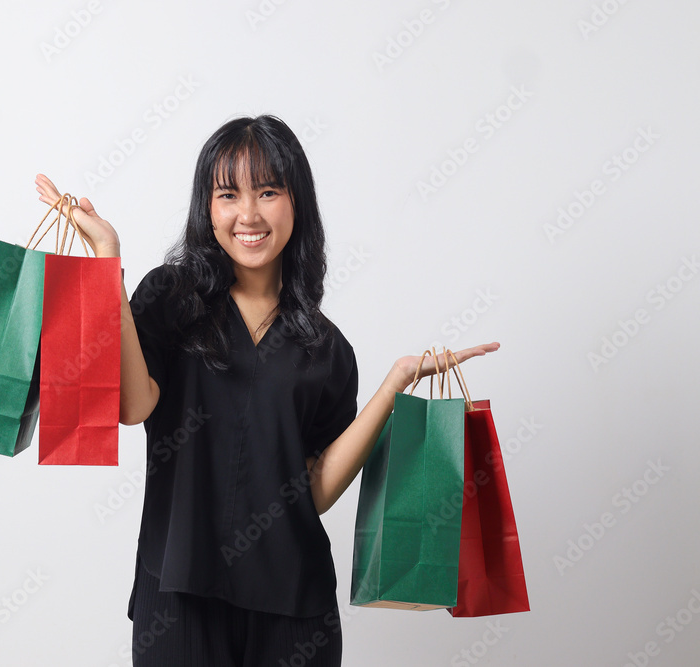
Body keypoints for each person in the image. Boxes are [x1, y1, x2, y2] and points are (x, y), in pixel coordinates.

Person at [35, 114, 499, 666]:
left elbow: (316, 491)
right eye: (228, 194)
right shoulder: (170, 298)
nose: (248, 214)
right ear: (207, 209)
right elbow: (135, 407)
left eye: (268, 191)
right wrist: (108, 256)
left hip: (294, 608)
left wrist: (395, 384)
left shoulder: (327, 349)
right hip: (178, 596)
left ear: (296, 203)